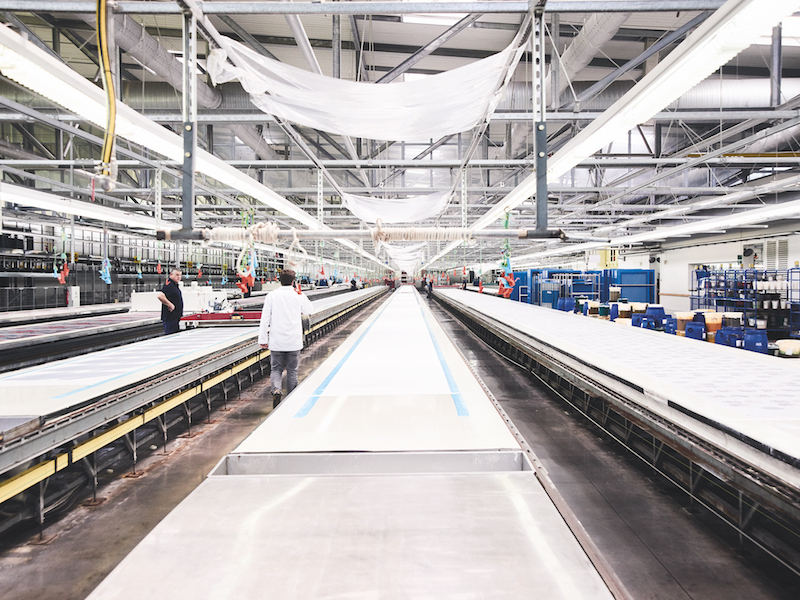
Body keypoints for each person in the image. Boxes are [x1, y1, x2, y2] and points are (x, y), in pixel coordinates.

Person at [259, 269, 313, 408]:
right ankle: (292, 399)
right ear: (294, 281)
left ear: (279, 280)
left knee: (276, 369)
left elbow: (265, 319)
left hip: (276, 341)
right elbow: (309, 311)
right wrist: (302, 294)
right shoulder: (298, 296)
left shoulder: (272, 295)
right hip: (293, 341)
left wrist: (263, 339)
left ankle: (276, 389)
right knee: (292, 370)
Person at [156, 268, 183, 335]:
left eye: (180, 275)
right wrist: (170, 305)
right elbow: (160, 296)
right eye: (177, 275)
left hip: (175, 318)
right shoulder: (169, 284)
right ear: (171, 275)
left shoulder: (174, 285)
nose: (179, 277)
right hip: (170, 319)